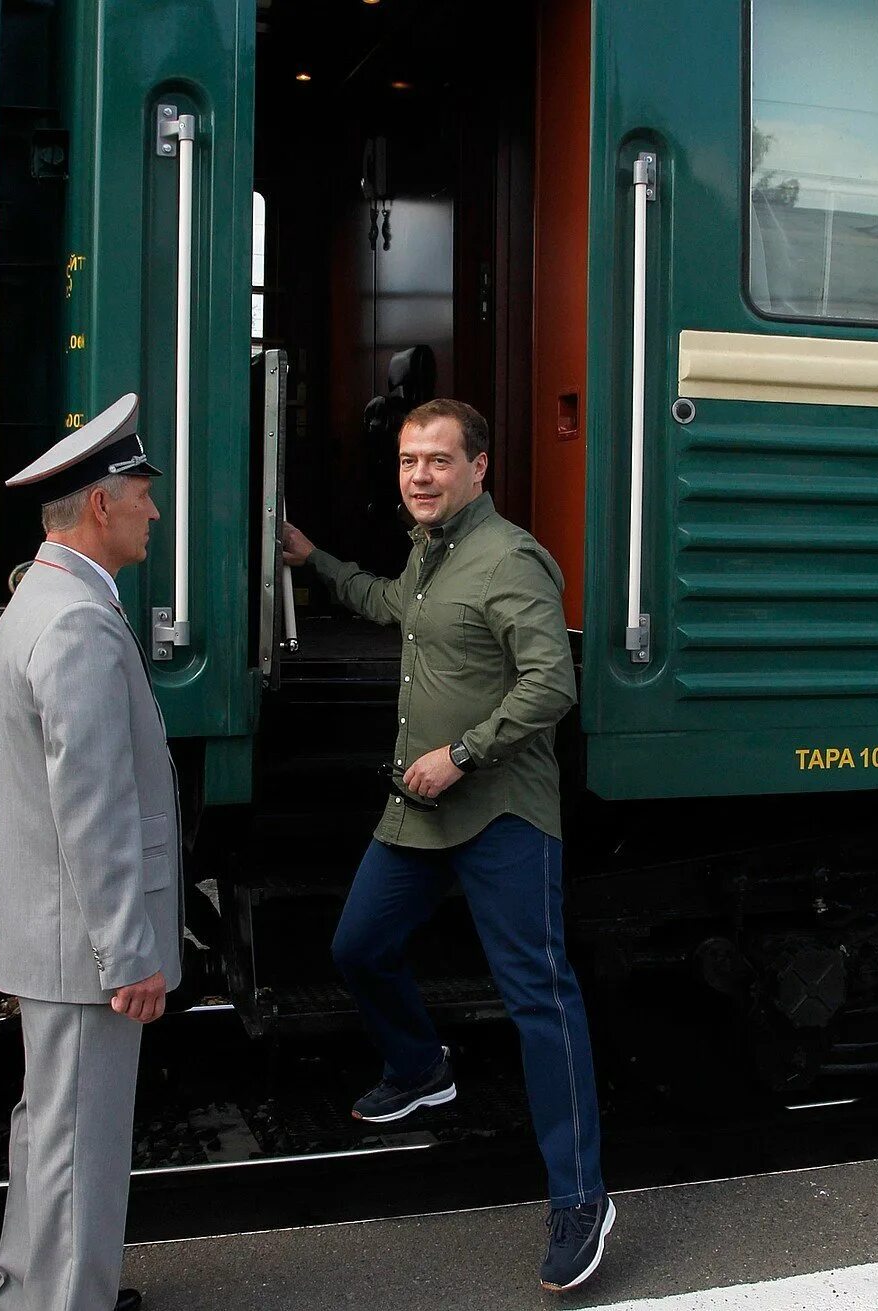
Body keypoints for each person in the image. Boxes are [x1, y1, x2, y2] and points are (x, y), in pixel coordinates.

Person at [282, 398, 614, 1293]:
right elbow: (393, 604)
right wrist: (317, 562)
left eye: (437, 460)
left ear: (479, 469)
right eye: (407, 462)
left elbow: (554, 682)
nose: (419, 476)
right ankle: (422, 1067)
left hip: (500, 810)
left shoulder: (509, 559)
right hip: (420, 809)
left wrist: (463, 753)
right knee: (358, 944)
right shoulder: (431, 555)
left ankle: (581, 1197)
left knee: (540, 997)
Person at [0, 393, 181, 1311]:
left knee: (50, 1133)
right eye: (142, 492)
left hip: (53, 934)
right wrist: (129, 949)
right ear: (101, 504)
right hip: (84, 948)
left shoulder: (39, 595)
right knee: (81, 1147)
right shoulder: (76, 623)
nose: (153, 509)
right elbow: (93, 807)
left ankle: (31, 1291)